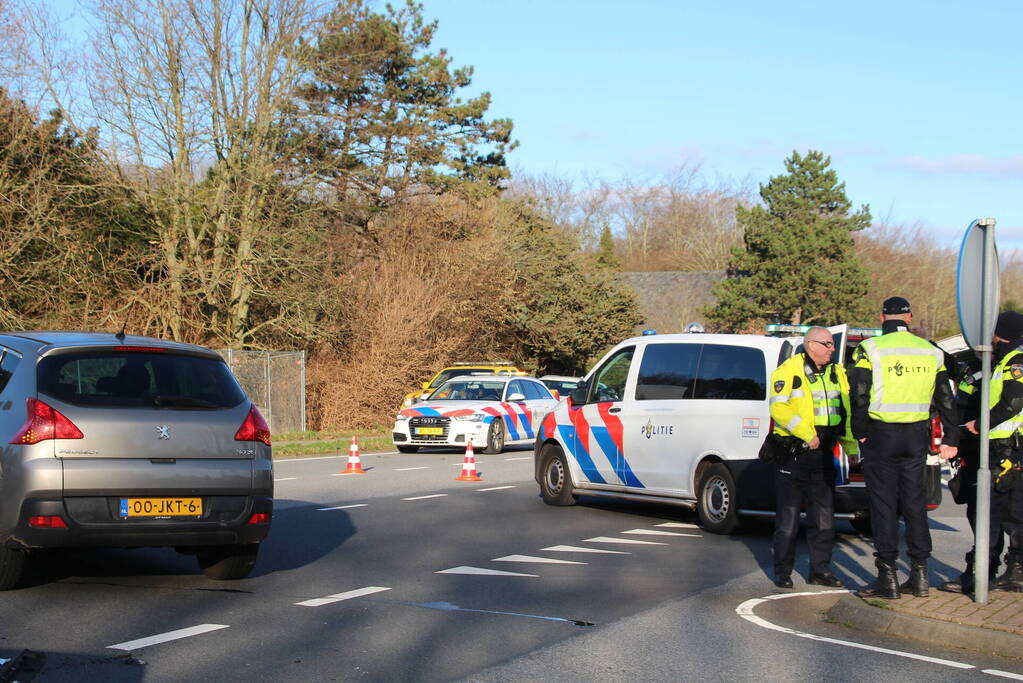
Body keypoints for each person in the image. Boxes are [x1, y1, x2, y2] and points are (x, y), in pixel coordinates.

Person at [850, 296, 959, 599]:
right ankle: (920, 576)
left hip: (881, 435)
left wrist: (860, 432)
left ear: (882, 317)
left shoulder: (869, 349)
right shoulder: (931, 352)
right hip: (915, 437)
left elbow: (858, 393)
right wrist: (951, 438)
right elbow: (946, 400)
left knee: (883, 506)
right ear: (909, 317)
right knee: (915, 504)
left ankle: (888, 579)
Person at [768, 326, 859, 589]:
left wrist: (850, 447)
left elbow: (846, 410)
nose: (832, 349)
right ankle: (782, 571)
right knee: (789, 517)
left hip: (824, 452)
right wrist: (807, 433)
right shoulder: (789, 371)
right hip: (796, 452)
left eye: (832, 344)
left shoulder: (836, 372)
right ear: (811, 345)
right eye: (827, 344)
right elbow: (778, 407)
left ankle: (820, 570)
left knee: (824, 518)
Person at [942, 311, 1023, 593]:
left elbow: (1012, 403)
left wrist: (981, 422)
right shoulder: (996, 361)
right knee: (998, 512)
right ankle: (1000, 571)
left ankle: (987, 573)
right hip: (998, 448)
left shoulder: (1015, 362)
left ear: (1000, 333)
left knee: (998, 512)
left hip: (1006, 449)